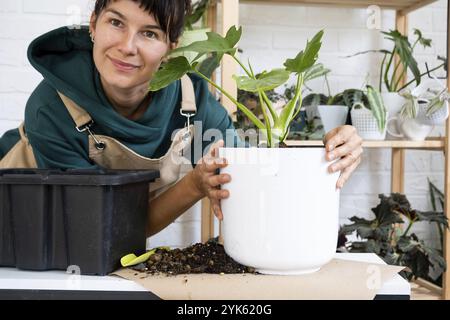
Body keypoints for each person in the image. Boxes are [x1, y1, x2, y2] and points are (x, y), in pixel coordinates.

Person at [0, 0, 363, 236]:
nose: (128, 46)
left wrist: (330, 149)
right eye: (115, 22)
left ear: (172, 45)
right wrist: (192, 186)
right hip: (22, 230)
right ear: (93, 24)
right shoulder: (52, 106)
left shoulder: (193, 100)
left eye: (149, 33)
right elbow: (99, 229)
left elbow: (251, 168)